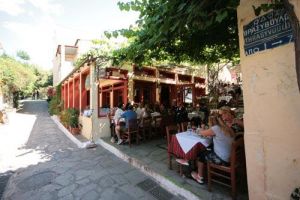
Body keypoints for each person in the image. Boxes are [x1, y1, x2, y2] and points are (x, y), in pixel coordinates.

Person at [191, 115, 236, 184]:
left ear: (211, 121)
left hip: (223, 159)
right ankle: (206, 171)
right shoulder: (227, 127)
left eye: (209, 122)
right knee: (207, 150)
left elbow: (202, 133)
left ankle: (199, 177)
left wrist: (200, 129)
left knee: (201, 155)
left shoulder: (216, 128)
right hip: (231, 157)